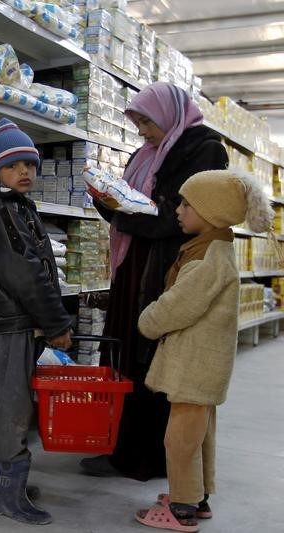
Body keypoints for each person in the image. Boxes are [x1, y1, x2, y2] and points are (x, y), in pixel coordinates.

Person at [81, 82, 229, 481]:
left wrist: (124, 212)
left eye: (146, 121)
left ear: (168, 113)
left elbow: (178, 218)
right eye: (137, 122)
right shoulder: (145, 155)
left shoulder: (204, 148)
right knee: (126, 359)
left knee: (156, 363)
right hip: (135, 269)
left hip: (168, 272)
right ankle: (120, 447)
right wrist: (105, 199)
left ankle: (151, 458)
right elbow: (133, 209)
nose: (142, 131)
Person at [134, 169, 276, 532]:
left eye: (186, 203)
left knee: (179, 439)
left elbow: (178, 305)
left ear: (211, 212)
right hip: (204, 364)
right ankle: (199, 497)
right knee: (201, 434)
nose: (178, 210)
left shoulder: (206, 260)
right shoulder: (215, 248)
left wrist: (147, 320)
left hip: (194, 365)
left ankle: (181, 508)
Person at [0, 118, 72, 525]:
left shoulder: (15, 208)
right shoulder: (1, 212)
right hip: (10, 325)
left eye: (30, 164)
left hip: (18, 323)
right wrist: (57, 324)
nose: (25, 172)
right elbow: (26, 275)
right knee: (11, 409)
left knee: (7, 403)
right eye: (13, 165)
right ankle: (7, 495)